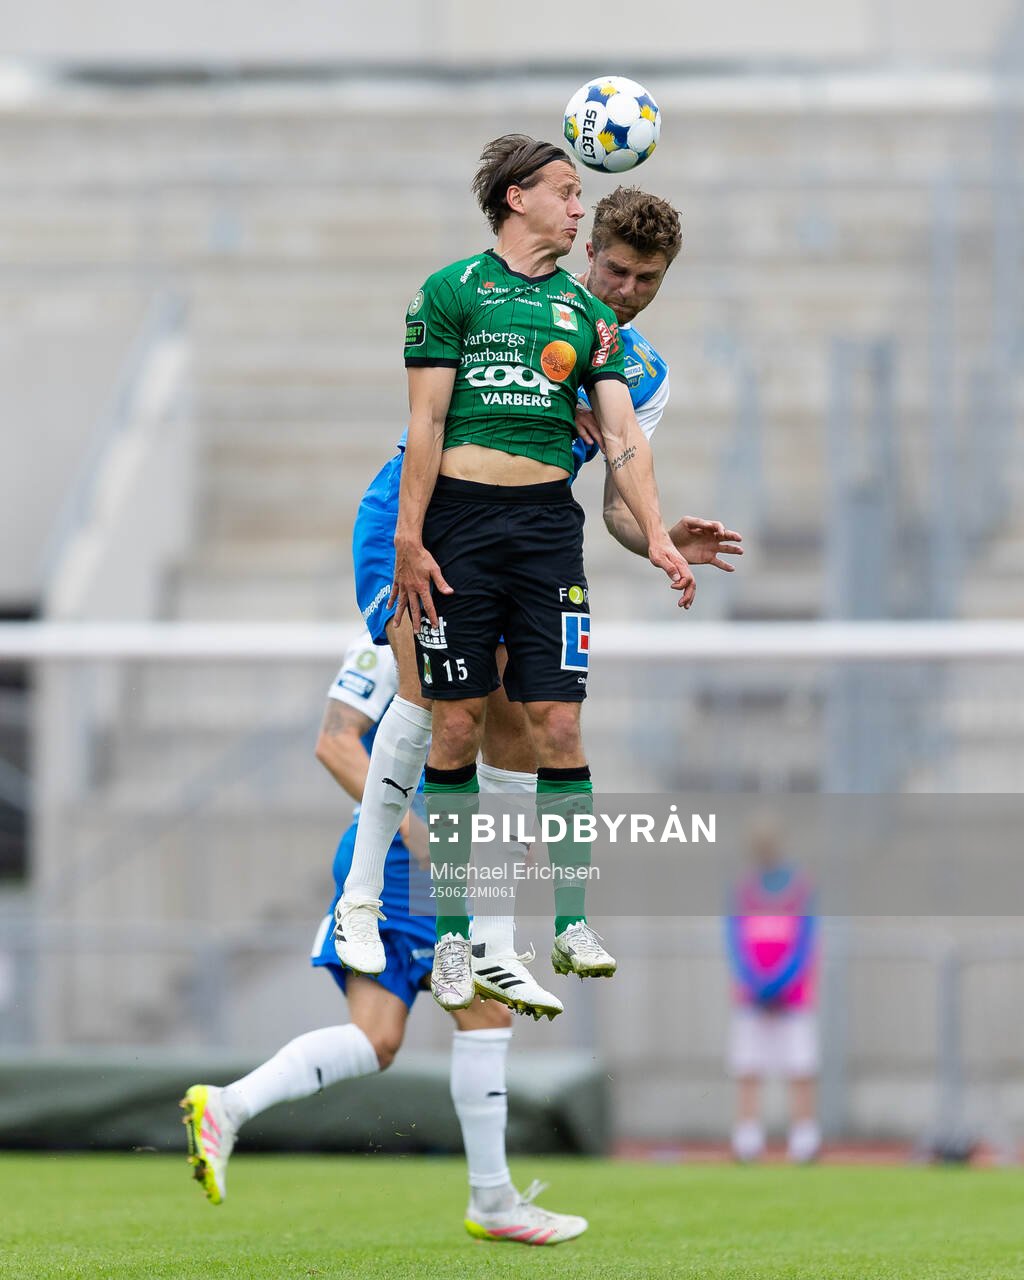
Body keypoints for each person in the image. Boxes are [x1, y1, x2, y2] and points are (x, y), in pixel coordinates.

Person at [336, 142, 742, 1014]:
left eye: (648, 281)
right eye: (619, 271)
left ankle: (487, 940)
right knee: (429, 704)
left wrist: (661, 537)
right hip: (419, 513)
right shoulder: (492, 295)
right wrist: (415, 530)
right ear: (586, 249)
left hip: (526, 534)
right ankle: (359, 898)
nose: (628, 292)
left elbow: (617, 499)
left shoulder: (637, 368)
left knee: (528, 728)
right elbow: (434, 413)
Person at [181, 629, 587, 1245]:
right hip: (400, 868)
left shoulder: (491, 624)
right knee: (485, 1012)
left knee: (380, 1039)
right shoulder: (393, 637)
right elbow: (335, 742)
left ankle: (228, 1107)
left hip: (427, 863)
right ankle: (493, 1201)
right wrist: (420, 834)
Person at [725, 817, 821, 1164]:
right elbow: (735, 941)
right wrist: (755, 983)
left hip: (792, 1000)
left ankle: (804, 1140)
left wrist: (781, 982)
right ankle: (747, 1140)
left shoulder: (800, 888)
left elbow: (805, 943)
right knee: (749, 1069)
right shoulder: (744, 889)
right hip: (753, 1000)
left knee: (800, 1068)